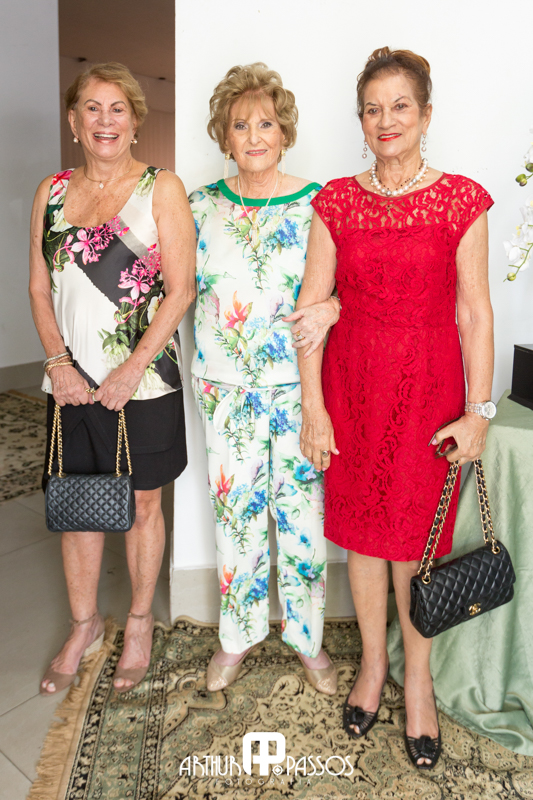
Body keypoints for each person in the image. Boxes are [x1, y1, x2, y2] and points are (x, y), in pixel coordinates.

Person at [296, 48, 494, 768]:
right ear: (360, 120)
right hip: (352, 392)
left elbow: (474, 312)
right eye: (372, 109)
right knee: (361, 540)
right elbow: (310, 311)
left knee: (416, 545)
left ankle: (417, 681)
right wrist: (314, 409)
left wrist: (478, 411)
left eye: (400, 106)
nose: (386, 120)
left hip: (427, 396)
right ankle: (372, 666)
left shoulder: (460, 200)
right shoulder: (335, 202)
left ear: (425, 114)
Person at [29, 62, 196, 695]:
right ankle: (85, 625)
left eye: (117, 108)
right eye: (92, 109)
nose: (105, 120)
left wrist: (130, 369)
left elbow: (181, 291)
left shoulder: (161, 188)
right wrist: (57, 364)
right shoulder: (51, 191)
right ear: (74, 123)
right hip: (69, 383)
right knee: (77, 504)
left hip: (144, 382)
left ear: (134, 121)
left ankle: (138, 622)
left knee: (144, 504)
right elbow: (38, 287)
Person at [189, 63, 340, 695]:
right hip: (224, 391)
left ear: (285, 133)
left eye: (267, 124)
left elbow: (355, 287)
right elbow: (171, 290)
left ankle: (307, 640)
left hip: (300, 391)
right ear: (224, 137)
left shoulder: (318, 203)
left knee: (302, 522)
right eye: (240, 125)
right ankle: (238, 637)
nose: (254, 136)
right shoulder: (199, 206)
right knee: (237, 520)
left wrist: (334, 307)